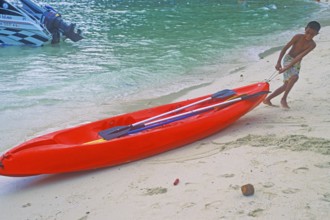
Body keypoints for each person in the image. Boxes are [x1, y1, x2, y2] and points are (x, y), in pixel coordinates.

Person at [263, 21, 321, 109]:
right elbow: (285, 49)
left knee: (287, 84)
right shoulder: (297, 37)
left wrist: (287, 68)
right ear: (305, 29)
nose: (309, 35)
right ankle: (283, 99)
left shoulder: (312, 45)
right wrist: (278, 62)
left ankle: (268, 99)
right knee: (294, 77)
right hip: (288, 58)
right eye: (307, 32)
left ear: (316, 34)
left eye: (312, 34)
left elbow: (300, 56)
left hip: (296, 61)